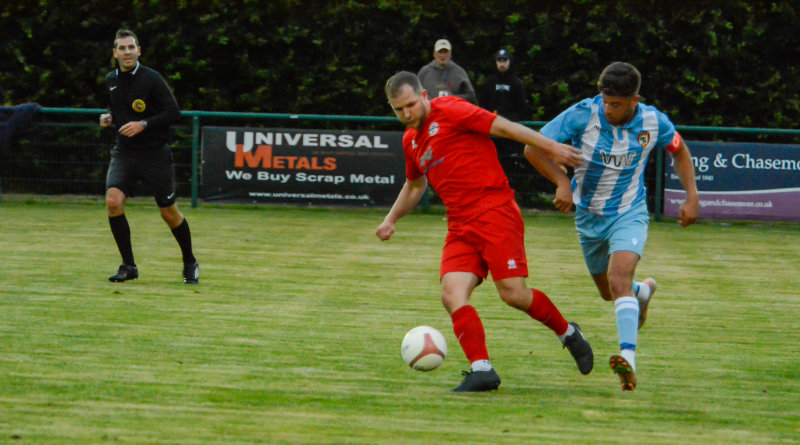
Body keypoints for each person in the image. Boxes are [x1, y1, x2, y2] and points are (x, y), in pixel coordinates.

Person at [377, 71, 593, 392]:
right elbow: (414, 185)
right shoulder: (410, 141)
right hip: (459, 224)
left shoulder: (451, 109)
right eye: (399, 109)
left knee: (513, 294)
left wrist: (552, 148)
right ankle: (482, 370)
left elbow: (504, 127)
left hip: (494, 211)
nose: (407, 114)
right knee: (452, 294)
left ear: (423, 96)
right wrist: (391, 219)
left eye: (411, 105)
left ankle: (569, 334)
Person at [524, 62, 699, 391]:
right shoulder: (583, 114)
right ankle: (642, 292)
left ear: (635, 100)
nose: (608, 109)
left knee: (619, 280)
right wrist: (562, 182)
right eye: (605, 102)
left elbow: (679, 150)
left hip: (629, 212)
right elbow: (533, 147)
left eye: (616, 104)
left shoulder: (653, 121)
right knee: (609, 292)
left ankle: (628, 361)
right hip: (589, 217)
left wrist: (692, 195)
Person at [99, 29, 198, 284]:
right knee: (113, 202)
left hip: (155, 155)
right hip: (124, 153)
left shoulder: (152, 78)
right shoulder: (111, 80)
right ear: (115, 53)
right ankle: (128, 266)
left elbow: (174, 112)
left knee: (168, 213)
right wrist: (108, 116)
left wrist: (143, 124)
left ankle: (190, 262)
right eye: (122, 48)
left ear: (139, 51)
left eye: (131, 47)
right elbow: (115, 106)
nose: (127, 52)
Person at [478, 48, 527, 190]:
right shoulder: (489, 83)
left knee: (510, 167)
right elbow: (482, 106)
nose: (502, 63)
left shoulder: (517, 84)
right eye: (499, 60)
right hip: (492, 133)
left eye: (504, 60)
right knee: (491, 164)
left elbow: (522, 109)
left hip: (510, 134)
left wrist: (510, 121)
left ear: (509, 62)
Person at [417, 39, 476, 104]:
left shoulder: (459, 72)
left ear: (450, 54)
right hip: (431, 109)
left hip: (453, 109)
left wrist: (452, 98)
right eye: (440, 52)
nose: (443, 55)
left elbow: (471, 96)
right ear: (434, 54)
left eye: (445, 52)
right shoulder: (424, 72)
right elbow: (416, 95)